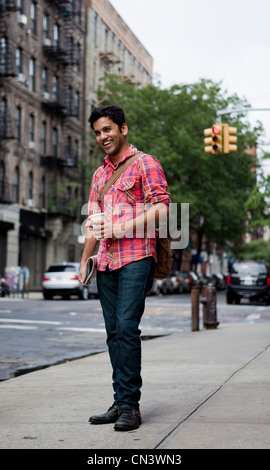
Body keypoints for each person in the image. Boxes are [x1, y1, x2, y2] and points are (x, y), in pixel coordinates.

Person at [79, 105, 170, 431]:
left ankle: (131, 405)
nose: (103, 137)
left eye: (107, 129)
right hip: (104, 262)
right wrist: (83, 260)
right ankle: (119, 401)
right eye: (98, 132)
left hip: (135, 257)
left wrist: (122, 228)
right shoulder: (100, 174)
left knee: (127, 327)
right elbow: (93, 221)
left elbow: (162, 207)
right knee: (114, 333)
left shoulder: (145, 163)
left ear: (123, 128)